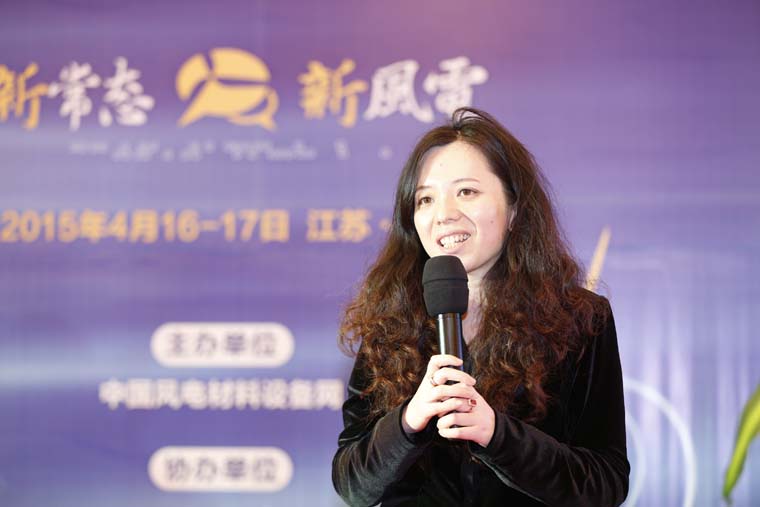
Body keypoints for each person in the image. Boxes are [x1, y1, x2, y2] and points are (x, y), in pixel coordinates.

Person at [332, 108, 629, 506]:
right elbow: (352, 484)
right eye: (425, 199)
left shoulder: (581, 319)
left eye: (466, 192)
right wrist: (407, 423)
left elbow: (605, 484)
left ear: (514, 209)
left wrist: (498, 435)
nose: (444, 215)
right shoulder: (390, 322)